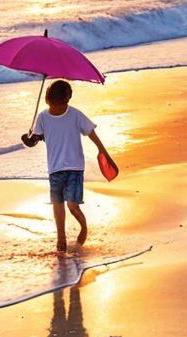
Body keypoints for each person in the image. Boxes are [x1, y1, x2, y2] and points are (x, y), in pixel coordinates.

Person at [21, 80, 116, 252]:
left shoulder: (75, 115)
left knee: (72, 205)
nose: (58, 108)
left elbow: (91, 133)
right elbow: (35, 139)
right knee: (57, 205)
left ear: (68, 100)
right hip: (55, 168)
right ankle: (61, 239)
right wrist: (28, 140)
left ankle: (84, 226)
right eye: (55, 104)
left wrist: (103, 152)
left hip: (74, 167)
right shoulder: (42, 117)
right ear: (48, 100)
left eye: (61, 104)